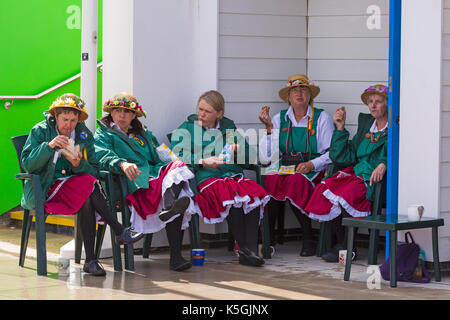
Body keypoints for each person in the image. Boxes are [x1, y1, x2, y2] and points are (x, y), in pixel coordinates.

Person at [20, 93, 144, 276]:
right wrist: (49, 146)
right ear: (55, 117)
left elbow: (93, 169)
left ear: (78, 119)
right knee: (88, 186)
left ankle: (92, 261)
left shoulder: (83, 134)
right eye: (64, 120)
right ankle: (118, 231)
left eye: (73, 120)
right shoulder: (40, 130)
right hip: (44, 189)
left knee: (87, 190)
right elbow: (28, 165)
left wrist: (78, 165)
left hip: (74, 188)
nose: (68, 126)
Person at [94, 92, 195, 271]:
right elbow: (101, 155)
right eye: (117, 111)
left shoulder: (143, 133)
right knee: (173, 195)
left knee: (178, 170)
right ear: (111, 113)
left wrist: (175, 162)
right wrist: (122, 163)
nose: (122, 115)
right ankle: (175, 249)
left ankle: (170, 212)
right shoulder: (104, 134)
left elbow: (160, 153)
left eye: (127, 112)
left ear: (134, 115)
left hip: (153, 176)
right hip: (130, 182)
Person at [171, 90, 269, 267]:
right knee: (231, 196)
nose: (202, 114)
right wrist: (202, 161)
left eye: (207, 111)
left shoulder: (228, 130)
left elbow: (251, 157)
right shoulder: (188, 129)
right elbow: (177, 155)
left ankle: (250, 249)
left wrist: (240, 150)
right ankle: (246, 250)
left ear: (219, 113)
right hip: (207, 178)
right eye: (200, 109)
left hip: (231, 175)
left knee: (252, 193)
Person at [305, 84, 388, 262]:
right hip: (357, 173)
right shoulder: (367, 126)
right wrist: (340, 128)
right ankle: (343, 245)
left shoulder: (393, 129)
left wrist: (384, 163)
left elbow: (397, 152)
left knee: (346, 192)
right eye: (370, 101)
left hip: (376, 180)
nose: (373, 105)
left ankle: (346, 247)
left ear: (388, 104)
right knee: (326, 187)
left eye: (379, 101)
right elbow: (344, 156)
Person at [258, 74, 334, 257]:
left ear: (310, 95)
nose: (299, 93)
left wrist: (311, 163)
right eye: (294, 90)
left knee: (295, 181)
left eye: (303, 90)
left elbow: (331, 153)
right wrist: (268, 129)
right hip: (285, 166)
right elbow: (267, 155)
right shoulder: (279, 119)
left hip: (313, 169)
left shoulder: (321, 118)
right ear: (288, 97)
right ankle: (266, 237)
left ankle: (308, 238)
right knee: (271, 178)